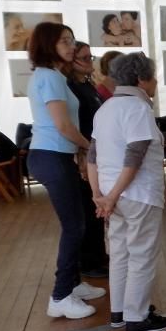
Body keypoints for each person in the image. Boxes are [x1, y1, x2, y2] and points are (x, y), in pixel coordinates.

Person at [88, 53, 166, 331]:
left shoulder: (105, 109)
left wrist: (98, 194)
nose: (155, 82)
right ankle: (137, 318)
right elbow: (134, 157)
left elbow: (92, 155)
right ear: (141, 79)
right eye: (152, 77)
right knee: (141, 255)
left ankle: (119, 312)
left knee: (121, 253)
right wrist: (110, 196)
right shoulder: (137, 109)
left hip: (115, 195)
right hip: (137, 195)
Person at [26, 22, 105, 320]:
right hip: (50, 156)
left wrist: (80, 151)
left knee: (78, 222)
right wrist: (88, 148)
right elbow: (62, 125)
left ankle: (72, 285)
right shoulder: (49, 77)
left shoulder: (53, 76)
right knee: (74, 226)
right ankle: (60, 296)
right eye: (65, 42)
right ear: (48, 46)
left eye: (72, 40)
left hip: (57, 155)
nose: (72, 47)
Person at [68, 42, 109, 278]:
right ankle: (89, 261)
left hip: (95, 150)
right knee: (87, 206)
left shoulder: (89, 86)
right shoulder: (72, 87)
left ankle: (98, 255)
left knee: (95, 205)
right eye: (84, 58)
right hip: (85, 152)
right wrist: (83, 151)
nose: (90, 61)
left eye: (90, 57)